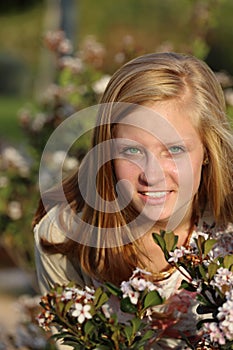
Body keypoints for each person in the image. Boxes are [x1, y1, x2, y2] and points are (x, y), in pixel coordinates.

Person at [33, 52, 233, 349]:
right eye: (132, 151)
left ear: (207, 150)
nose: (151, 176)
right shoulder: (65, 236)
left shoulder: (226, 232)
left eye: (175, 149)